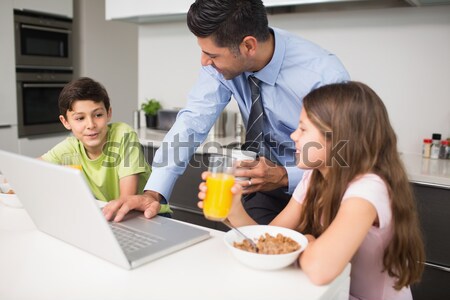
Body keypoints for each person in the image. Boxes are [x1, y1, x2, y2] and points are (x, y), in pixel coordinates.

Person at [103, 0, 349, 223]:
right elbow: (192, 123)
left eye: (211, 54)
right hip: (262, 188)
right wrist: (153, 193)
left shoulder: (323, 75)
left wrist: (285, 176)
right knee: (249, 255)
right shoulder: (220, 66)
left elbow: (344, 153)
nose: (204, 61)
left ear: (248, 46)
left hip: (320, 190)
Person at [198, 81, 425, 300]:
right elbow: (269, 240)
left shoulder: (369, 188)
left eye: (303, 129)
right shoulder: (314, 177)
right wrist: (233, 208)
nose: (294, 136)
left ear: (337, 138)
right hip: (331, 292)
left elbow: (319, 269)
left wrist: (306, 241)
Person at [41, 77, 171, 214]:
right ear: (66, 121)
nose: (91, 125)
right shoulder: (71, 145)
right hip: (114, 213)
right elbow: (32, 167)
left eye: (97, 115)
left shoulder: (123, 135)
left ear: (108, 113)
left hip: (148, 214)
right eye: (80, 118)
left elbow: (126, 199)